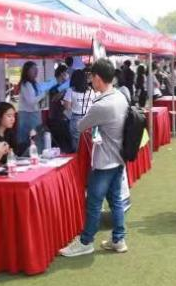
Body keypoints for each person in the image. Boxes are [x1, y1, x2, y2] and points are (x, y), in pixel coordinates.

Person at [59, 59, 129, 256]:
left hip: (104, 160)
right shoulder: (120, 96)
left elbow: (80, 126)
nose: (90, 81)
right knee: (115, 200)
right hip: (118, 157)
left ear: (98, 78)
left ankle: (86, 241)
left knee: (94, 203)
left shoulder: (102, 105)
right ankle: (118, 239)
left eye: (92, 78)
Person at [17, 61, 47, 147]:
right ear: (27, 71)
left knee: (37, 136)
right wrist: (42, 95)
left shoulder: (35, 83)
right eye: (33, 69)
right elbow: (31, 101)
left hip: (35, 112)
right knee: (26, 138)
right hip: (27, 114)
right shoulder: (25, 84)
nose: (36, 71)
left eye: (36, 68)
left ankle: (37, 151)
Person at [63, 69, 95, 152]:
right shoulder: (91, 90)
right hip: (90, 119)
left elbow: (67, 107)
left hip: (76, 120)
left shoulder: (71, 90)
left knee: (77, 146)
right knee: (90, 144)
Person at [47, 64, 72, 153]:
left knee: (66, 143)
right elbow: (54, 98)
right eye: (67, 73)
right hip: (56, 118)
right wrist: (64, 90)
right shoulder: (53, 85)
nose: (68, 75)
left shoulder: (64, 85)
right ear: (62, 73)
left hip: (64, 117)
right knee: (59, 143)